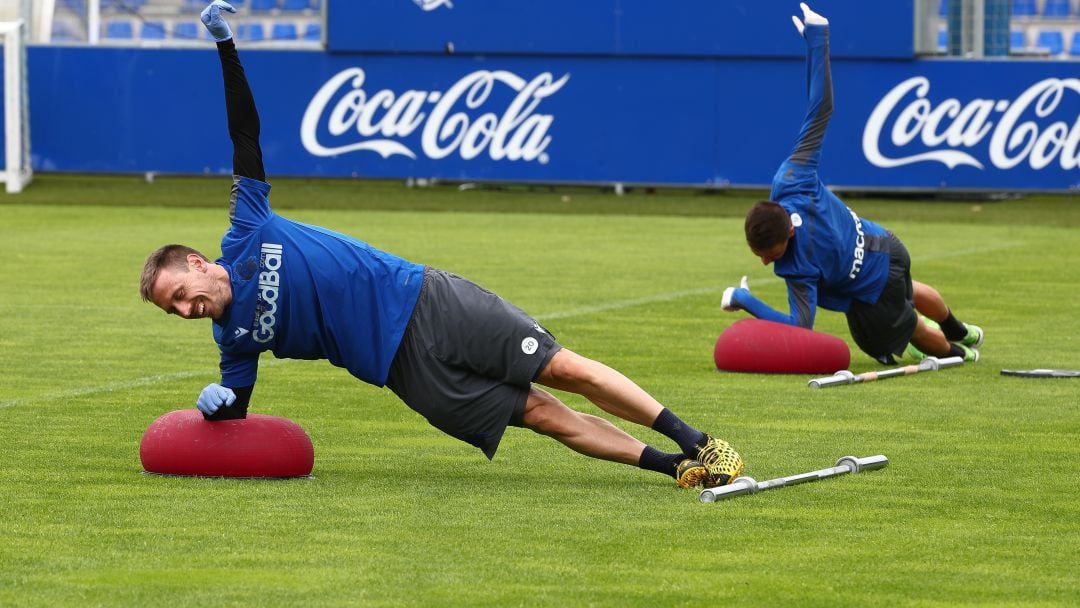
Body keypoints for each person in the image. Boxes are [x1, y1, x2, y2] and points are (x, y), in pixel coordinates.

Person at [139, 1, 743, 490]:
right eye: (176, 311)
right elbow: (236, 414)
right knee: (540, 415)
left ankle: (696, 440)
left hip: (425, 299)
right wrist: (218, 408)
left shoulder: (246, 227)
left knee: (562, 368)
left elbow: (245, 131)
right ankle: (674, 467)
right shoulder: (234, 339)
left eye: (182, 295)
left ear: (197, 262)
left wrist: (224, 45)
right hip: (403, 371)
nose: (188, 310)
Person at [720, 4, 983, 366]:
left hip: (873, 291)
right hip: (889, 246)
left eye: (771, 254)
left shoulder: (798, 267)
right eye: (760, 254)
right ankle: (960, 329)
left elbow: (800, 326)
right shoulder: (794, 180)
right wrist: (818, 39)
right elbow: (821, 109)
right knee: (910, 289)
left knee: (909, 330)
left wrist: (744, 297)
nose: (767, 262)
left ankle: (960, 352)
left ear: (789, 238)